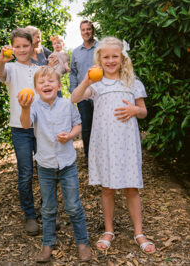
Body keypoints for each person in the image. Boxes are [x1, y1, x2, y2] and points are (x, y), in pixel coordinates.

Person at [71, 37, 156, 254]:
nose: (110, 60)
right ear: (99, 59)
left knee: (131, 188)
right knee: (107, 188)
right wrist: (87, 81)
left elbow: (144, 111)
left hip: (126, 143)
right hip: (105, 142)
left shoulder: (132, 83)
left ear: (122, 58)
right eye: (106, 57)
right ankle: (108, 230)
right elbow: (74, 98)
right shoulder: (96, 83)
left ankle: (139, 232)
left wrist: (135, 111)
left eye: (114, 56)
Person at [18, 66, 92, 263]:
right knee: (49, 208)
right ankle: (47, 244)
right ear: (35, 88)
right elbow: (26, 125)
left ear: (59, 85)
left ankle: (82, 242)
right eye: (41, 83)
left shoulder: (67, 105)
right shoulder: (33, 106)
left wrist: (70, 136)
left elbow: (78, 124)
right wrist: (25, 108)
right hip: (45, 165)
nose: (46, 85)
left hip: (67, 164)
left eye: (50, 81)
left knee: (73, 206)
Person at [0, 28, 40, 236]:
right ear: (12, 48)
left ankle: (49, 213)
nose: (21, 50)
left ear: (32, 46)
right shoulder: (10, 68)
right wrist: (2, 59)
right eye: (17, 46)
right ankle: (30, 214)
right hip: (20, 128)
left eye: (25, 46)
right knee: (25, 173)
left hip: (42, 127)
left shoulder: (41, 68)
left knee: (47, 170)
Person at [69, 20, 99, 159]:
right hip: (83, 95)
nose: (86, 32)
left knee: (101, 125)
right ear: (80, 32)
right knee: (86, 127)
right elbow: (73, 73)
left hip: (101, 94)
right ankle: (89, 157)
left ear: (92, 30)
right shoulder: (76, 52)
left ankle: (103, 156)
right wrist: (74, 91)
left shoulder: (101, 48)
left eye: (88, 29)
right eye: (83, 30)